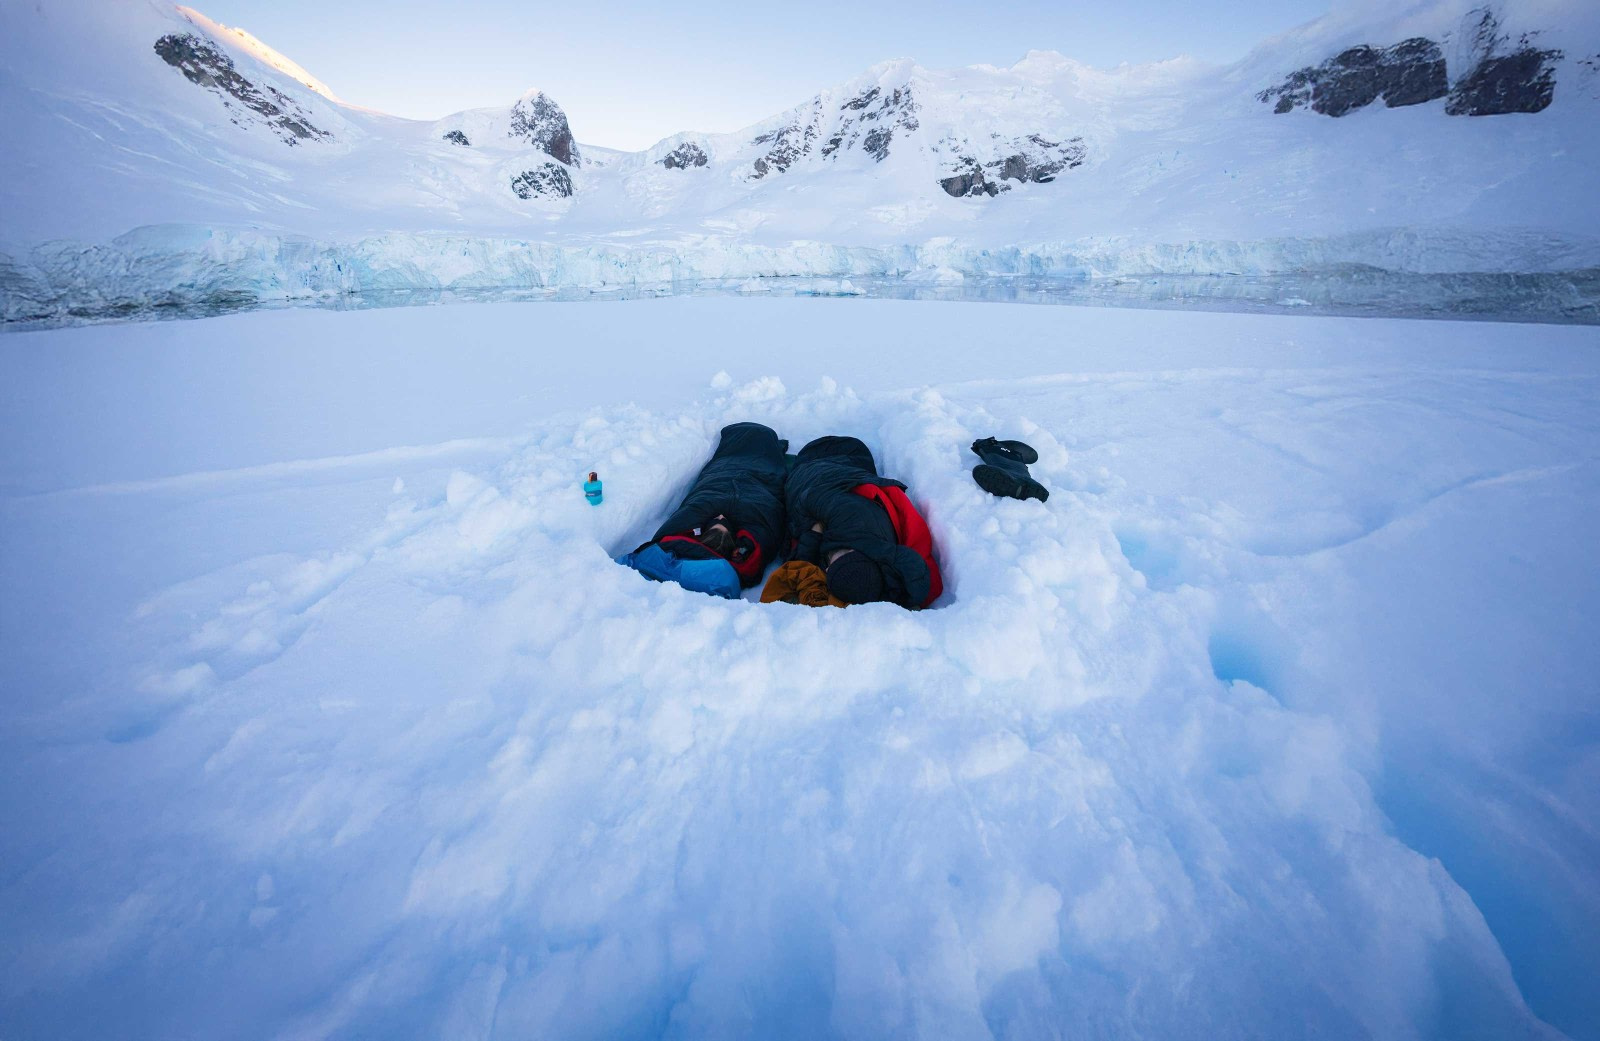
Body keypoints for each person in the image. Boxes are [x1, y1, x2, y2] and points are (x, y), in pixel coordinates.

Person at [617, 422, 788, 598]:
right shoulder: (740, 557)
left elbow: (689, 513)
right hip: (759, 480)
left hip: (720, 477)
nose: (721, 516)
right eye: (724, 523)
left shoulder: (683, 530)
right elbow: (766, 528)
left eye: (716, 522)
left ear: (700, 532)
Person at [779, 435, 942, 609]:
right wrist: (815, 530)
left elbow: (800, 563)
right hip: (831, 465)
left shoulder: (873, 577)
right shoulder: (849, 519)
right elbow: (810, 497)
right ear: (851, 551)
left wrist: (813, 536)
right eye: (832, 566)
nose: (825, 570)